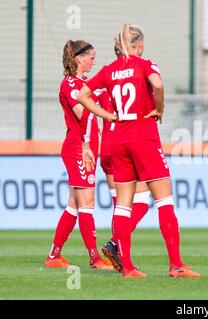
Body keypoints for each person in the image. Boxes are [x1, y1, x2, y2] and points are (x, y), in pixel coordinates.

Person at [77, 24, 200, 279]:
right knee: (164, 200)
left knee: (123, 204)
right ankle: (176, 265)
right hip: (143, 138)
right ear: (139, 44)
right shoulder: (145, 64)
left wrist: (108, 114)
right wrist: (159, 108)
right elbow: (158, 85)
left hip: (118, 141)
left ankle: (129, 268)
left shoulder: (109, 70)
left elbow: (82, 95)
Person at [45, 40, 113, 270]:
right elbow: (83, 114)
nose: (93, 61)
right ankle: (94, 258)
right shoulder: (71, 84)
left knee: (74, 203)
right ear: (78, 58)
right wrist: (86, 146)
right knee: (87, 203)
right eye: (90, 57)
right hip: (78, 148)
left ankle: (54, 255)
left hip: (86, 147)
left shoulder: (85, 83)